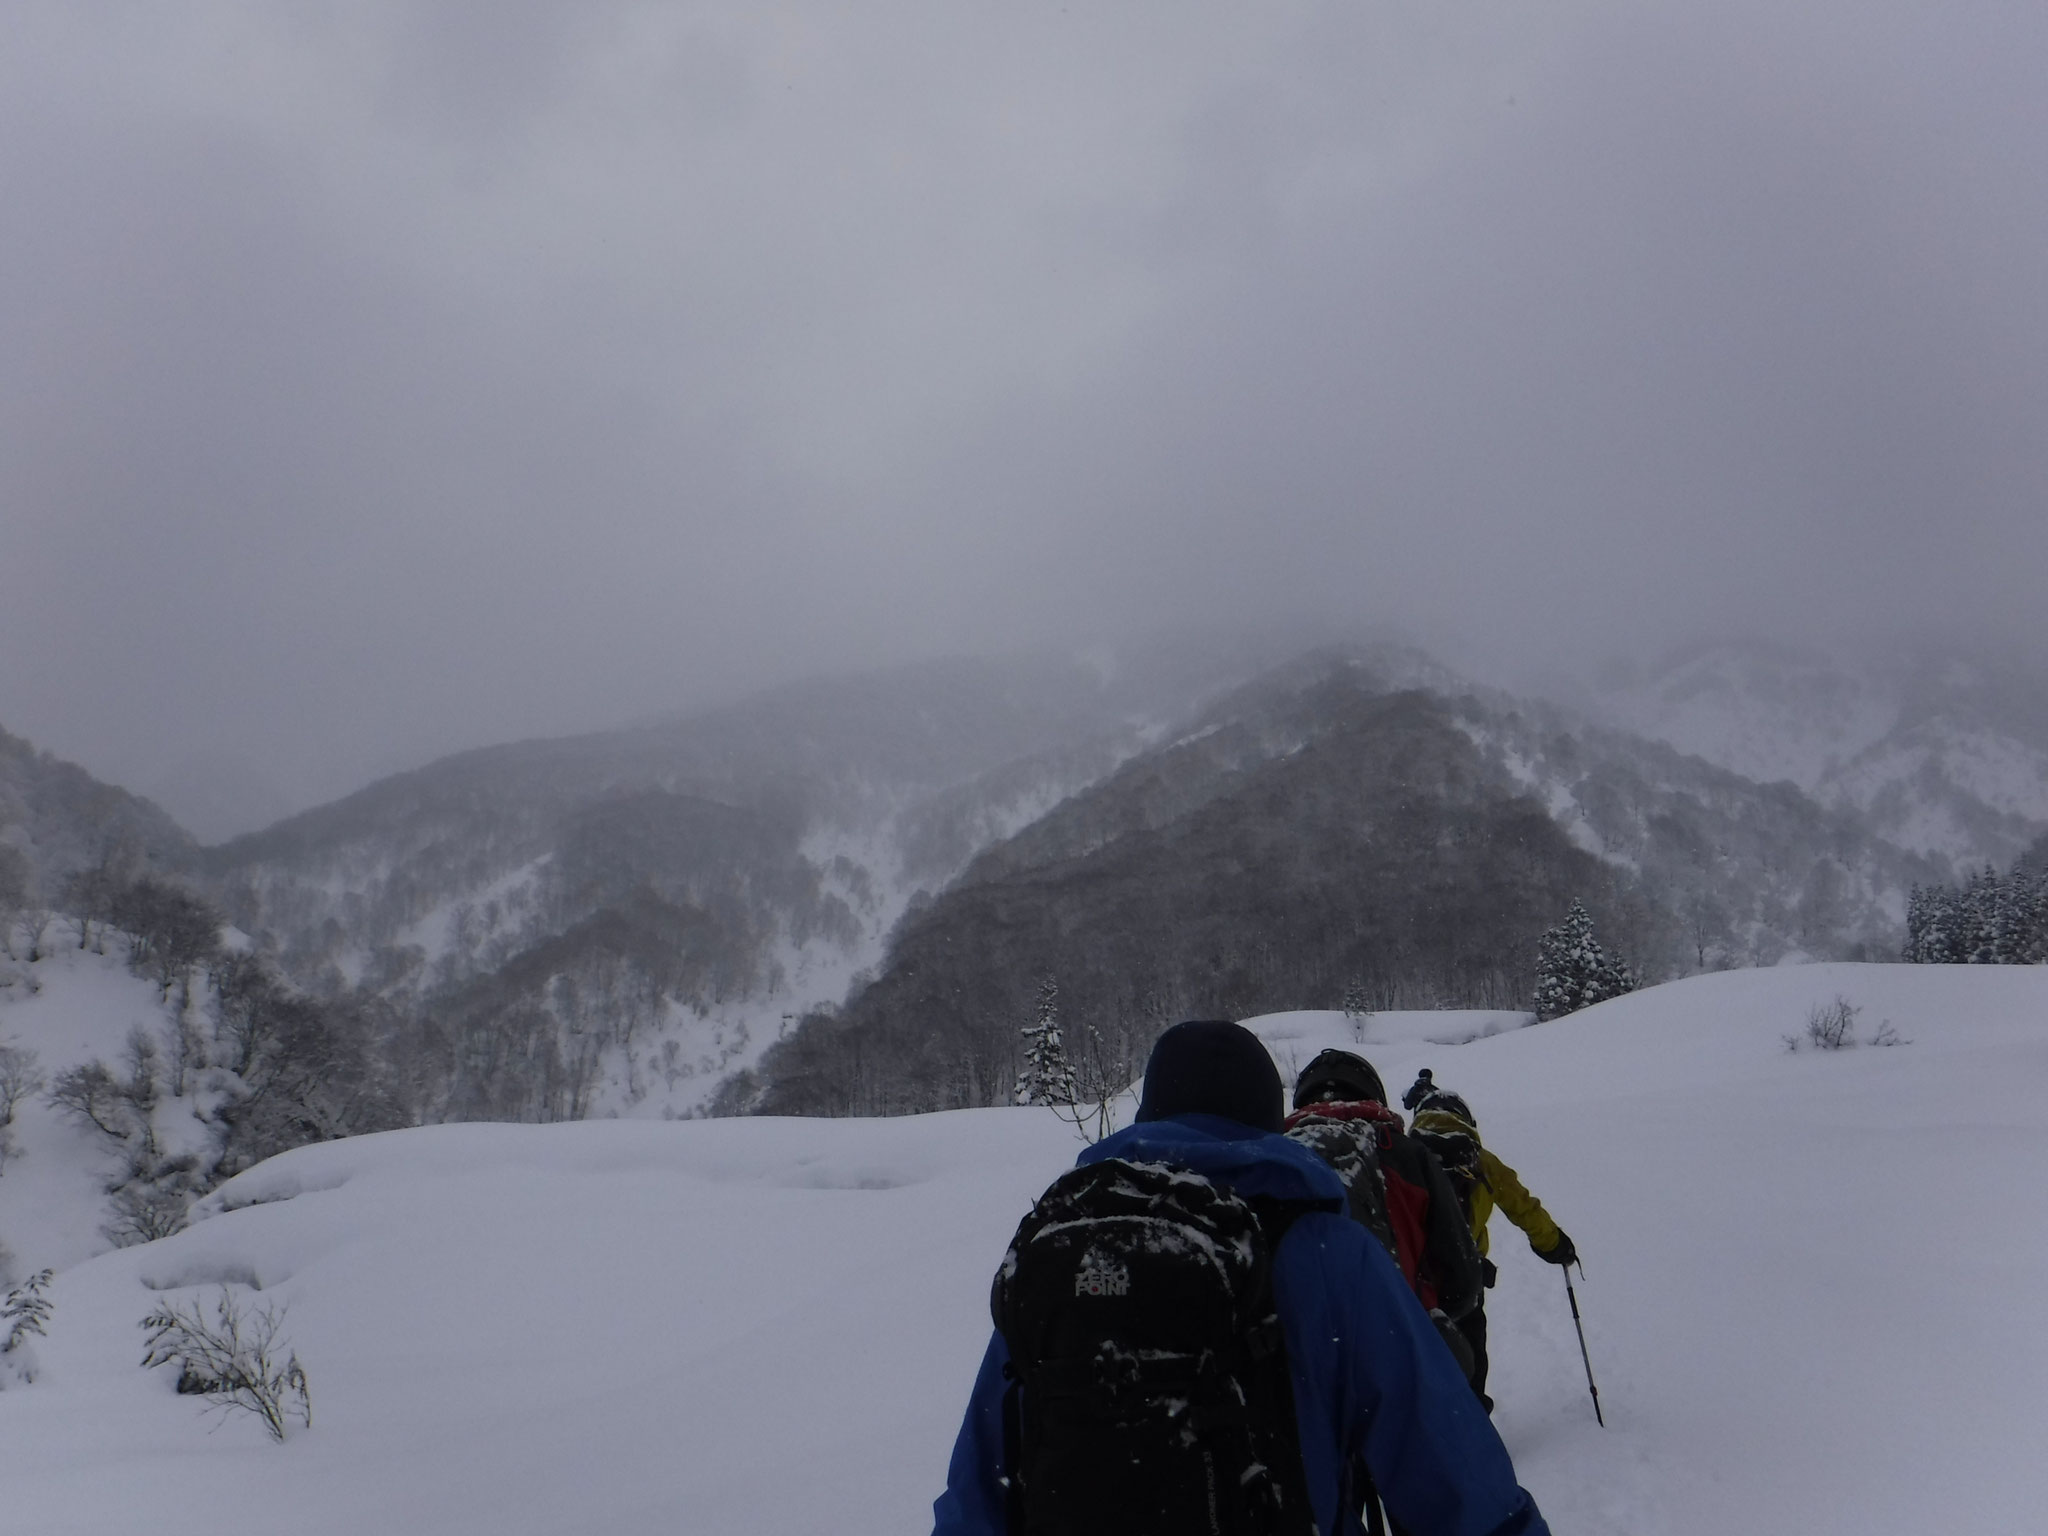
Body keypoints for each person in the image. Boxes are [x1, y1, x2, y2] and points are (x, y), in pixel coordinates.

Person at [933, 1020, 1550, 1536]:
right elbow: (1453, 1476)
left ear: (1150, 1113)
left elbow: (978, 1486)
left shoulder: (1061, 1255)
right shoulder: (1329, 1254)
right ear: (1269, 1124)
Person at [1286, 1049, 1485, 1383]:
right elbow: (1461, 1281)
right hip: (1405, 1362)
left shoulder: (1273, 1157)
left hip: (1300, 1372)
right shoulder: (1408, 1156)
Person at [1403, 1073, 1576, 1413]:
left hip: (1413, 1279)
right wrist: (1554, 1245)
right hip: (1465, 1279)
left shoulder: (1402, 1154)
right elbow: (1523, 1206)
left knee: (1417, 1354)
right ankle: (1473, 1422)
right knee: (1470, 1352)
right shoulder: (1482, 1160)